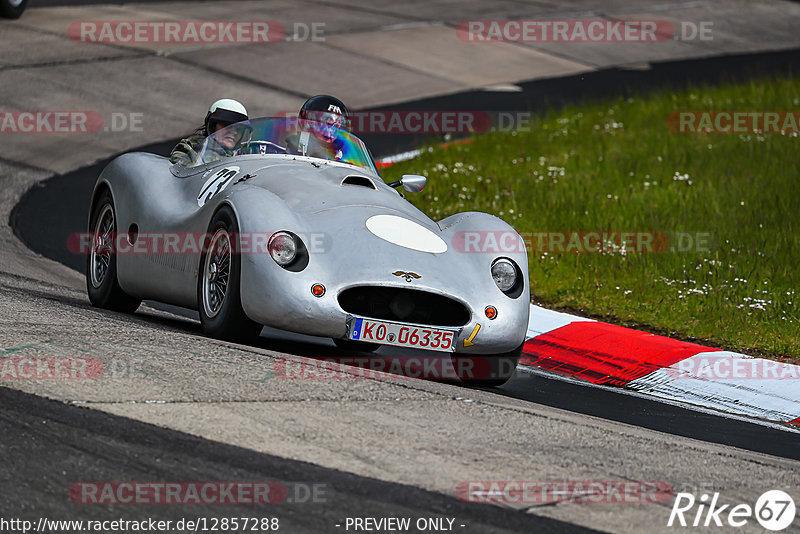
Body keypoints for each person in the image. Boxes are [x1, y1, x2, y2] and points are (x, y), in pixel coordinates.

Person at [170, 99, 249, 164]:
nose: (234, 132)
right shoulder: (191, 148)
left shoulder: (244, 159)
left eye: (239, 129)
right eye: (227, 126)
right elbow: (180, 170)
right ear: (212, 126)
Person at [285, 95, 349, 161]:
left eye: (338, 125)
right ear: (310, 123)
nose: (334, 130)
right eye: (329, 123)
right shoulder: (292, 150)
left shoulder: (342, 159)